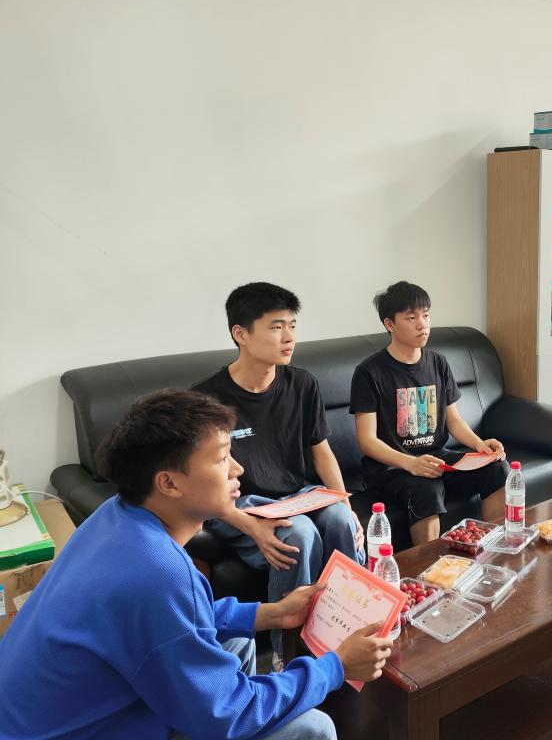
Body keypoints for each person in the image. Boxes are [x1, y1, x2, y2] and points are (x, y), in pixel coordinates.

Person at [0, 389, 391, 740]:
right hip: (79, 730)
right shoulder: (157, 573)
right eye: (221, 459)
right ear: (169, 483)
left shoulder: (115, 516)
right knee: (312, 728)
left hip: (49, 713)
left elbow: (175, 624)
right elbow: (229, 713)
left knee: (236, 641)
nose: (237, 469)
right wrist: (335, 667)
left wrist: (272, 613)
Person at [194, 282, 364, 667]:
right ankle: (287, 657)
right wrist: (252, 526)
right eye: (275, 327)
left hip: (297, 494)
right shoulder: (207, 400)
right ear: (241, 334)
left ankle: (350, 631)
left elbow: (321, 452)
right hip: (240, 503)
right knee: (298, 533)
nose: (288, 337)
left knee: (339, 519)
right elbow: (202, 485)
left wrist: (346, 504)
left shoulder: (302, 383)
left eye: (292, 326)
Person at [351, 280, 508, 545]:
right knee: (425, 488)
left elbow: (454, 420)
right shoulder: (369, 372)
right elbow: (367, 441)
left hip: (437, 458)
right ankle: (430, 568)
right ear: (390, 324)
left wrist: (479, 445)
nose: (422, 325)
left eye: (425, 315)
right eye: (411, 318)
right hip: (391, 467)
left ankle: (494, 550)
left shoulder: (438, 362)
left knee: (496, 468)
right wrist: (411, 463)